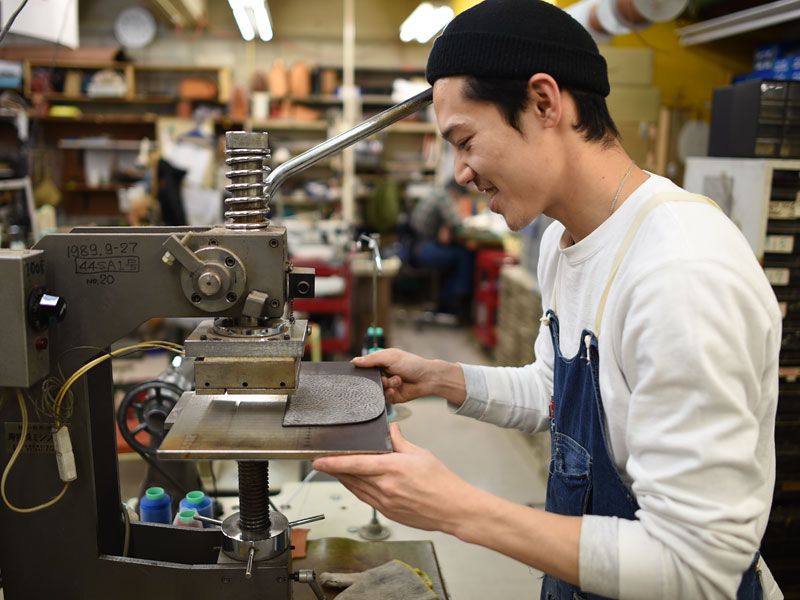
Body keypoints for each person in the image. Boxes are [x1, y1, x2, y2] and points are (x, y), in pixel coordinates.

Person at [312, 1, 783, 598]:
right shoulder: (564, 240)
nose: (459, 172)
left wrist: (457, 508)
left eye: (465, 140)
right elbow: (562, 397)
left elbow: (696, 563)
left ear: (543, 103)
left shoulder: (680, 271)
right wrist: (441, 377)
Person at [406, 179, 474, 318]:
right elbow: (456, 222)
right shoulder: (443, 196)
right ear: (454, 192)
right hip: (421, 248)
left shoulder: (437, 192)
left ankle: (449, 298)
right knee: (464, 254)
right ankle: (456, 300)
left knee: (459, 252)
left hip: (416, 245)